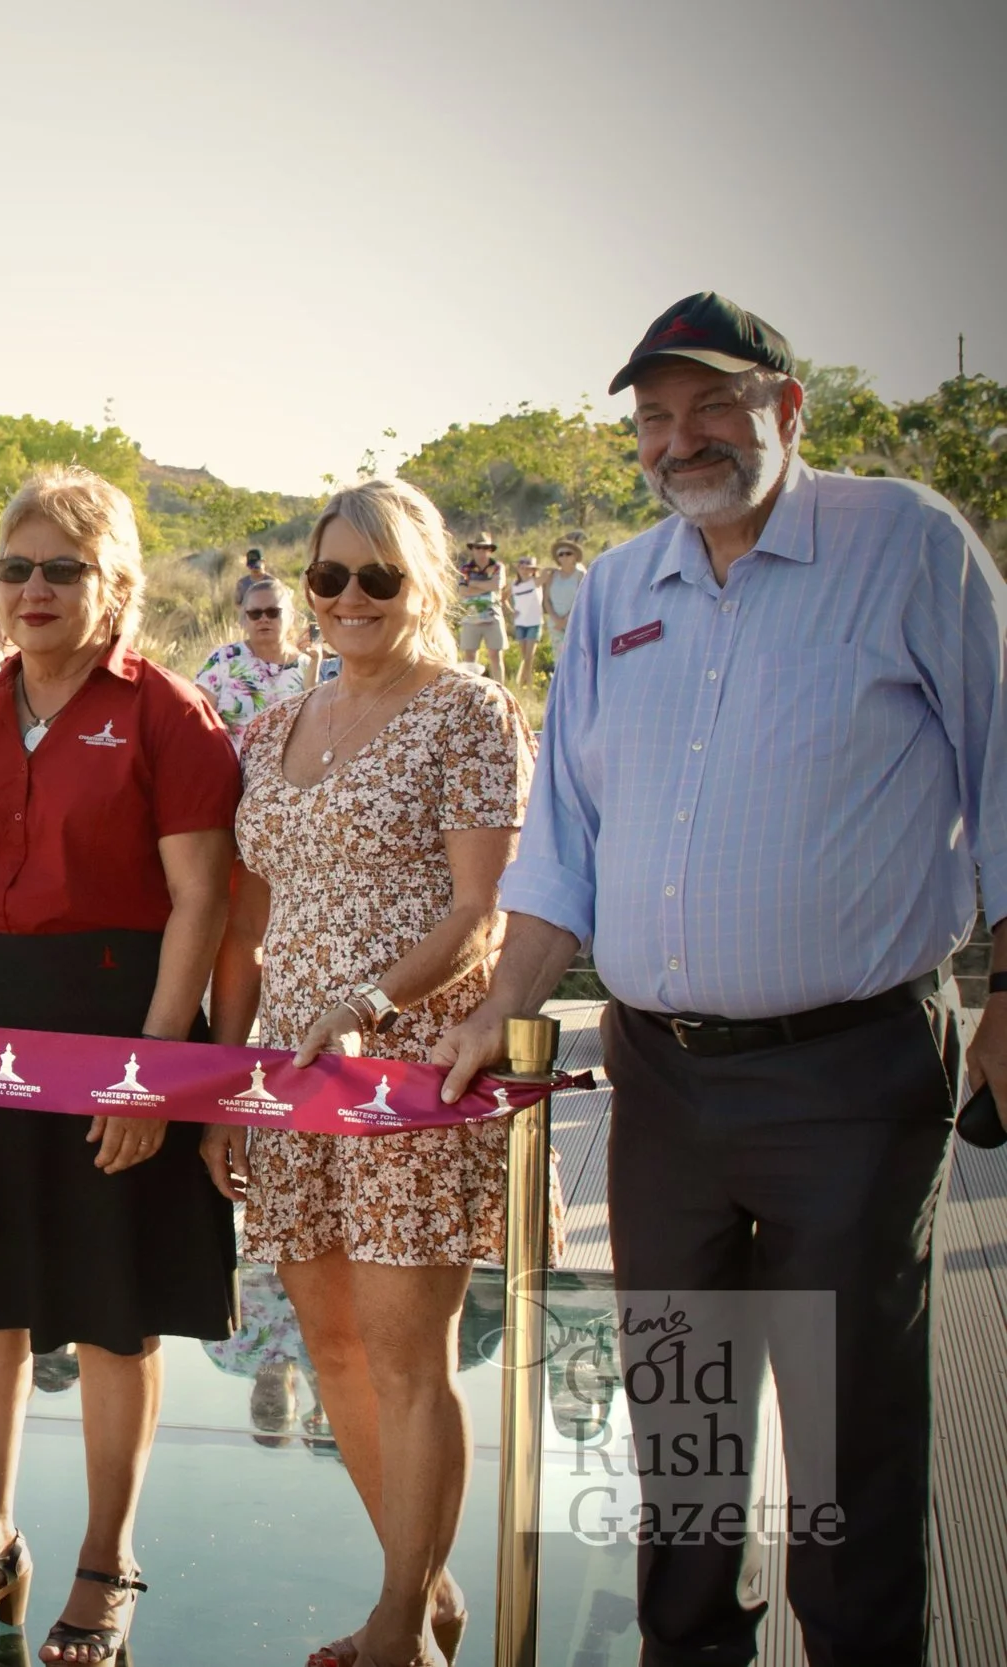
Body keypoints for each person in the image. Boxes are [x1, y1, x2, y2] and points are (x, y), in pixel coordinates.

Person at [437, 291, 1007, 1667]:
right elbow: (563, 840)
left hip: (851, 1072)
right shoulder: (626, 587)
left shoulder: (907, 544)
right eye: (653, 417)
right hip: (664, 1079)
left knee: (846, 1434)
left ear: (787, 408)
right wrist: (499, 1002)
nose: (679, 438)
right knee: (680, 1416)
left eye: (711, 406)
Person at [0, 465, 239, 1665]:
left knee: (111, 1311)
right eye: (14, 567)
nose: (32, 590)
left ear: (117, 587)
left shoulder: (169, 713)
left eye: (62, 569)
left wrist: (153, 1072)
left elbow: (202, 898)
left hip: (117, 1019)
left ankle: (106, 1556)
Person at [203, 476, 536, 1667]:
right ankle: (420, 1593)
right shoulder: (266, 725)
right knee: (328, 1342)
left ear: (426, 584)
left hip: (408, 1072)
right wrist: (236, 1082)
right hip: (290, 1076)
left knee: (406, 1354)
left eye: (379, 576)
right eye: (329, 576)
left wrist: (365, 1005)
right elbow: (242, 922)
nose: (350, 597)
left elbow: (483, 911)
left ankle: (397, 1618)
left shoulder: (470, 714)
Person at [195, 577, 315, 739]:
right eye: (255, 614)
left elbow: (316, 724)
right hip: (230, 763)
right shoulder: (223, 659)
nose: (264, 619)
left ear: (291, 616)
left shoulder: (306, 665)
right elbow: (195, 719)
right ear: (244, 619)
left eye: (273, 612)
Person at [450, 534, 506, 683]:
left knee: (495, 656)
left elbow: (496, 586)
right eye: (478, 548)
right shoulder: (465, 568)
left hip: (493, 616)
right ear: (473, 550)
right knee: (470, 658)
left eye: (485, 548)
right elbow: (462, 591)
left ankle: (501, 689)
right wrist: (485, 587)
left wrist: (473, 584)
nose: (481, 551)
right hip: (471, 617)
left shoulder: (497, 567)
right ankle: (472, 690)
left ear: (490, 550)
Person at [543, 534, 586, 655]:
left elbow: (582, 599)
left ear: (575, 556)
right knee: (559, 659)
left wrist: (567, 619)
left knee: (577, 657)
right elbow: (546, 600)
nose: (564, 557)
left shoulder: (580, 575)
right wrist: (557, 620)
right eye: (561, 554)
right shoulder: (552, 575)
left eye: (568, 553)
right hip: (555, 624)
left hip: (575, 623)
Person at [506, 556, 545, 682]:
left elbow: (549, 572)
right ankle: (524, 684)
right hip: (520, 623)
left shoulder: (536, 582)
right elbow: (502, 598)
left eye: (528, 568)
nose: (524, 570)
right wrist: (512, 612)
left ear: (533, 570)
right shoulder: (514, 585)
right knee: (524, 657)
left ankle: (527, 684)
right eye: (522, 568)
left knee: (529, 657)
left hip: (534, 622)